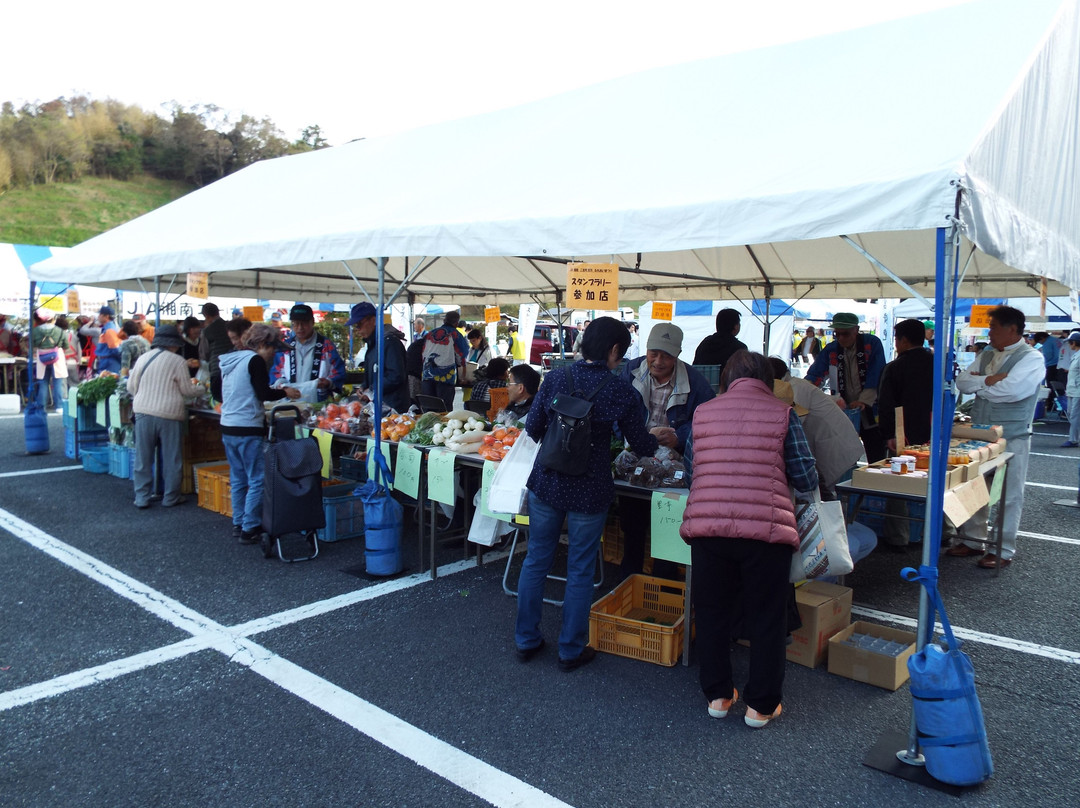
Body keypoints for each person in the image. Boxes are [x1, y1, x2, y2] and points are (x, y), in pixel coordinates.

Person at [680, 351, 817, 729]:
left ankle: (718, 696)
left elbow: (693, 471)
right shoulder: (783, 414)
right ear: (768, 381)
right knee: (766, 616)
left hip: (708, 529)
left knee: (711, 611)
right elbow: (806, 477)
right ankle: (761, 705)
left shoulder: (703, 413)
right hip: (765, 531)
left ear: (726, 379)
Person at [515, 317, 659, 672]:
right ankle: (570, 649)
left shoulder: (557, 378)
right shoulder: (620, 390)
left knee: (536, 560)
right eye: (621, 353)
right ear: (613, 350)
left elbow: (532, 428)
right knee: (580, 570)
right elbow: (641, 445)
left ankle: (526, 640)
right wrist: (661, 438)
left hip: (547, 483)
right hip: (590, 490)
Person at [948, 305, 1044, 569]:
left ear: (1011, 328)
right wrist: (992, 380)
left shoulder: (1032, 357)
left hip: (1013, 433)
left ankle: (1003, 547)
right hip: (980, 432)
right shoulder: (988, 353)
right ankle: (971, 539)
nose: (989, 333)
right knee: (972, 485)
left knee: (1010, 492)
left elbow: (1014, 390)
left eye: (993, 327)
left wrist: (983, 383)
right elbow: (963, 383)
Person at [618, 322, 715, 578]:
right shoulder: (631, 370)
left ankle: (666, 579)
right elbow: (618, 409)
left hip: (673, 463)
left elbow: (707, 419)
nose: (658, 361)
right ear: (647, 349)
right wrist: (642, 436)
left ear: (678, 355)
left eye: (667, 356)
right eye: (654, 353)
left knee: (668, 521)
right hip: (636, 454)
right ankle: (630, 576)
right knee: (632, 521)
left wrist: (679, 437)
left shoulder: (695, 382)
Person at [219, 324, 301, 543]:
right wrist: (285, 391)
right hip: (247, 426)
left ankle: (239, 523)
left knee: (238, 478)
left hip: (228, 425)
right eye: (272, 349)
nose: (273, 355)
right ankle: (250, 527)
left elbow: (219, 391)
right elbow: (263, 392)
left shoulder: (230, 360)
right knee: (256, 478)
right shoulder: (253, 361)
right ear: (263, 344)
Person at [875, 319, 935, 550]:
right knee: (935, 480)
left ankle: (898, 536)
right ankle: (942, 531)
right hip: (932, 430)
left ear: (903, 340)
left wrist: (888, 433)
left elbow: (886, 404)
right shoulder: (937, 363)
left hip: (904, 434)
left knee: (899, 482)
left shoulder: (895, 367)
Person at [127, 326, 201, 509]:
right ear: (174, 344)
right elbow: (187, 390)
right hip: (169, 414)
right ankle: (170, 497)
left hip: (143, 412)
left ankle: (142, 497)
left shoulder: (143, 358)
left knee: (143, 458)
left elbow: (130, 387)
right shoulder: (178, 361)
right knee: (171, 458)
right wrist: (202, 388)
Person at [767, 358, 864, 493]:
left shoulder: (794, 389)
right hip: (834, 445)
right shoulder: (795, 385)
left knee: (837, 501)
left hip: (838, 448)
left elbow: (789, 428)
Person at [805, 312, 887, 463]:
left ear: (856, 330)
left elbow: (877, 373)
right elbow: (815, 375)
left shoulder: (872, 343)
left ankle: (877, 483)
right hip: (843, 410)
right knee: (844, 456)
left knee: (876, 455)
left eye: (846, 334)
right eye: (837, 334)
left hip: (871, 408)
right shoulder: (831, 349)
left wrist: (864, 400)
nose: (841, 338)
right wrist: (804, 391)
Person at [270, 304, 346, 403]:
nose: (300, 328)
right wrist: (284, 388)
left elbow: (338, 371)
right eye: (295, 324)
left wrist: (328, 382)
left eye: (304, 323)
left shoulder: (326, 345)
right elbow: (276, 373)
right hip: (291, 403)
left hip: (320, 403)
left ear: (312, 322)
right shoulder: (286, 347)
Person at [346, 301, 409, 414]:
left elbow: (396, 376)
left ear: (373, 320)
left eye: (359, 324)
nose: (358, 330)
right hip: (377, 407)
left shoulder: (390, 343)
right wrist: (363, 387)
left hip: (393, 409)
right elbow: (371, 376)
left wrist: (371, 389)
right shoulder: (372, 345)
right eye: (356, 326)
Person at [421, 311, 470, 411]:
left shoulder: (430, 333)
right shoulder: (455, 334)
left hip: (427, 375)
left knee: (429, 410)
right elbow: (463, 353)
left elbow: (423, 353)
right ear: (457, 323)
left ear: (444, 320)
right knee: (444, 409)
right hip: (445, 377)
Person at [30, 308, 68, 412]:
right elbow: (66, 345)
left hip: (41, 357)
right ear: (53, 319)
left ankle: (42, 407)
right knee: (58, 383)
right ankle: (59, 406)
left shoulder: (35, 331)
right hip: (57, 357)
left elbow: (31, 344)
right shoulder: (59, 330)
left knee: (43, 382)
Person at [692, 308, 748, 373]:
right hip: (729, 383)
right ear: (735, 326)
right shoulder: (740, 348)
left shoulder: (705, 343)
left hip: (702, 382)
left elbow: (695, 367)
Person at [199, 302, 232, 400]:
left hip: (216, 368)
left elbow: (204, 353)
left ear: (206, 316)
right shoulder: (229, 326)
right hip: (232, 368)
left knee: (218, 398)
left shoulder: (207, 331)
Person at [80, 305, 122, 375]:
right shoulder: (108, 328)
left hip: (110, 362)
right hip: (107, 361)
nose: (98, 316)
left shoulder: (109, 330)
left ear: (106, 316)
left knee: (110, 384)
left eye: (100, 314)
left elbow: (116, 349)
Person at [1063, 331, 1080, 447]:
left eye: (1070, 343)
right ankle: (1074, 438)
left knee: (1074, 415)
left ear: (1074, 343)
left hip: (1078, 390)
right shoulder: (1076, 355)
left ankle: (1073, 439)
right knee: (1071, 414)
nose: (1069, 345)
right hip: (1072, 390)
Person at [57, 315, 81, 391]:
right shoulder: (73, 336)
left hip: (61, 364)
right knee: (75, 384)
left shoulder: (56, 336)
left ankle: (65, 401)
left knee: (63, 385)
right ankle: (76, 400)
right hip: (73, 362)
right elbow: (79, 350)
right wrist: (79, 361)